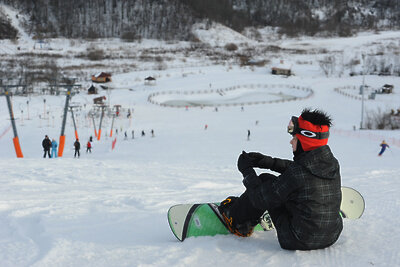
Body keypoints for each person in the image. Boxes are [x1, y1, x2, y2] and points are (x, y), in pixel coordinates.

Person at [218, 108, 342, 250]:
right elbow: (299, 170)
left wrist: (246, 171)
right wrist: (266, 161)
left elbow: (260, 198)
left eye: (295, 138)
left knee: (265, 181)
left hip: (296, 239)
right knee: (286, 189)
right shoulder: (332, 163)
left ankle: (237, 222)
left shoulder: (297, 174)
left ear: (304, 142)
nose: (291, 142)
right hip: (332, 235)